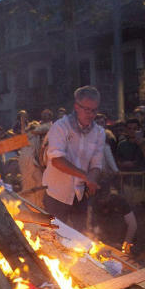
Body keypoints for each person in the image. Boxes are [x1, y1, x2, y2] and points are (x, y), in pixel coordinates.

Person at [42, 86, 105, 232]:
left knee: (81, 238)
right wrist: (85, 176)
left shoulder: (99, 133)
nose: (91, 114)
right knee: (55, 237)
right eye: (86, 109)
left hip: (79, 195)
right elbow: (57, 160)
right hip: (56, 194)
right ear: (77, 106)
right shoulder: (60, 127)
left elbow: (96, 163)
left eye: (94, 110)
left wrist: (92, 180)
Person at [91, 180, 137, 252]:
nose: (102, 200)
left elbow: (132, 224)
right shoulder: (95, 203)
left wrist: (126, 244)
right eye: (100, 197)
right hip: (103, 243)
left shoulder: (120, 202)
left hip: (120, 242)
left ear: (109, 194)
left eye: (104, 197)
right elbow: (92, 224)